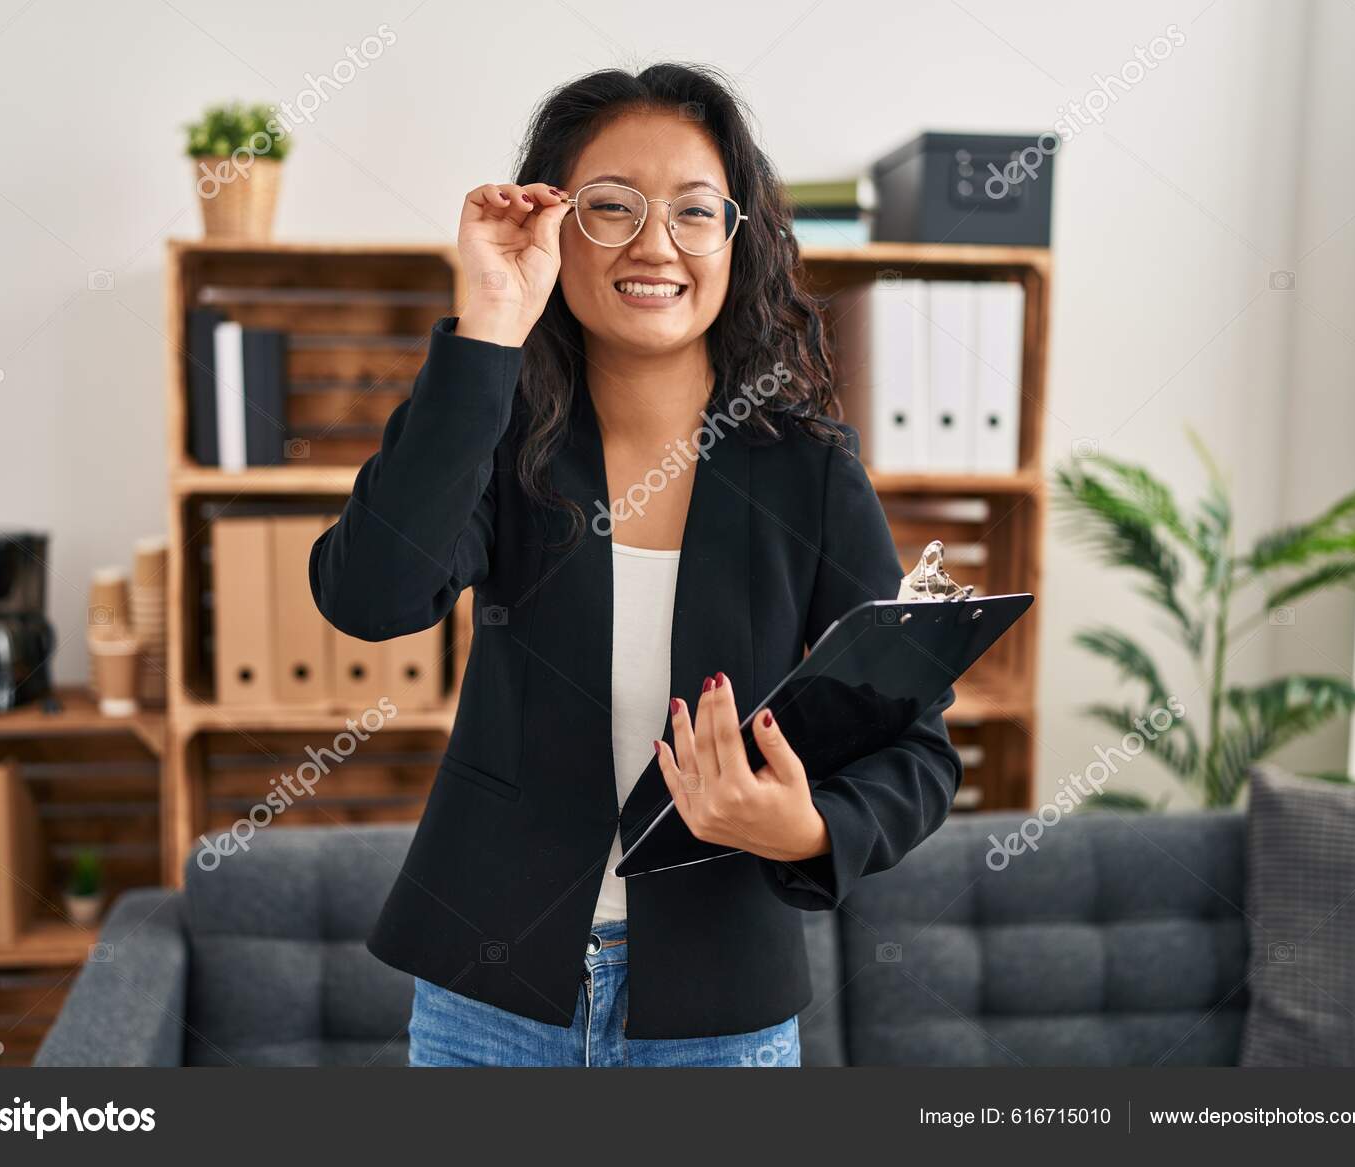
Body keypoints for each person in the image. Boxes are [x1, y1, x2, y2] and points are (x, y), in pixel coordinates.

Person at [309, 62, 963, 1067]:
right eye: (611, 207)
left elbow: (912, 749)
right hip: (490, 1001)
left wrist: (807, 827)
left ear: (734, 242)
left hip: (717, 1011)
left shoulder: (809, 474)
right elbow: (370, 597)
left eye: (694, 212)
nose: (655, 244)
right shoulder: (498, 435)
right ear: (555, 224)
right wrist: (488, 326)